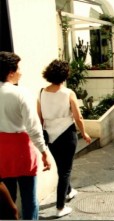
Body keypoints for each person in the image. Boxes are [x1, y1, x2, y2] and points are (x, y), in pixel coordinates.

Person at [0, 51, 51, 220]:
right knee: (29, 199)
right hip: (21, 148)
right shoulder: (20, 93)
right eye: (19, 68)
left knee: (8, 198)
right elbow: (33, 127)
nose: (21, 71)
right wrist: (43, 152)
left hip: (2, 150)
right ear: (11, 72)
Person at [38, 59, 91, 217]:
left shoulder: (41, 92)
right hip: (67, 134)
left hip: (50, 136)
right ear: (64, 75)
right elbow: (78, 117)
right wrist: (85, 133)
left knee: (62, 167)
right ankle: (60, 207)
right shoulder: (68, 93)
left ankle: (69, 191)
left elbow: (39, 118)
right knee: (65, 171)